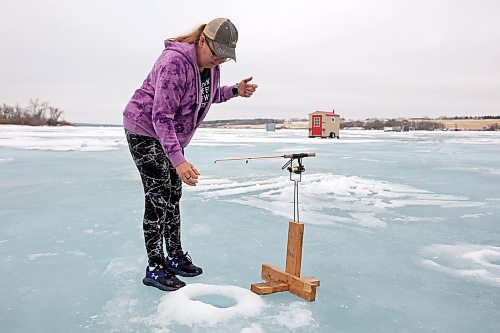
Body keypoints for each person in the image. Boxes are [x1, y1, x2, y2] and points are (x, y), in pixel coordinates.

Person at [123, 18, 258, 291]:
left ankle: (174, 255)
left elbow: (205, 96)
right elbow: (161, 116)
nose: (218, 60)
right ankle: (155, 266)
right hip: (144, 128)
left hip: (169, 134)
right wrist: (179, 160)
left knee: (173, 193)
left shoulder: (209, 67)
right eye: (215, 53)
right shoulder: (174, 62)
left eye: (224, 57)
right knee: (158, 193)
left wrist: (234, 91)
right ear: (202, 41)